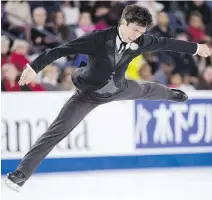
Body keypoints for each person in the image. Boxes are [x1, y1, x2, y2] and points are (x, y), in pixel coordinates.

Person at [5, 4, 211, 192]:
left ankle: (171, 94)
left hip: (119, 88)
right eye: (135, 30)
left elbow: (167, 43)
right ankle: (21, 175)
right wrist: (34, 67)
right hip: (88, 94)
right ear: (124, 22)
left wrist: (196, 48)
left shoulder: (141, 40)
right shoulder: (97, 39)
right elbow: (59, 50)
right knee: (56, 132)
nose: (137, 36)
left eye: (141, 32)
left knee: (147, 89)